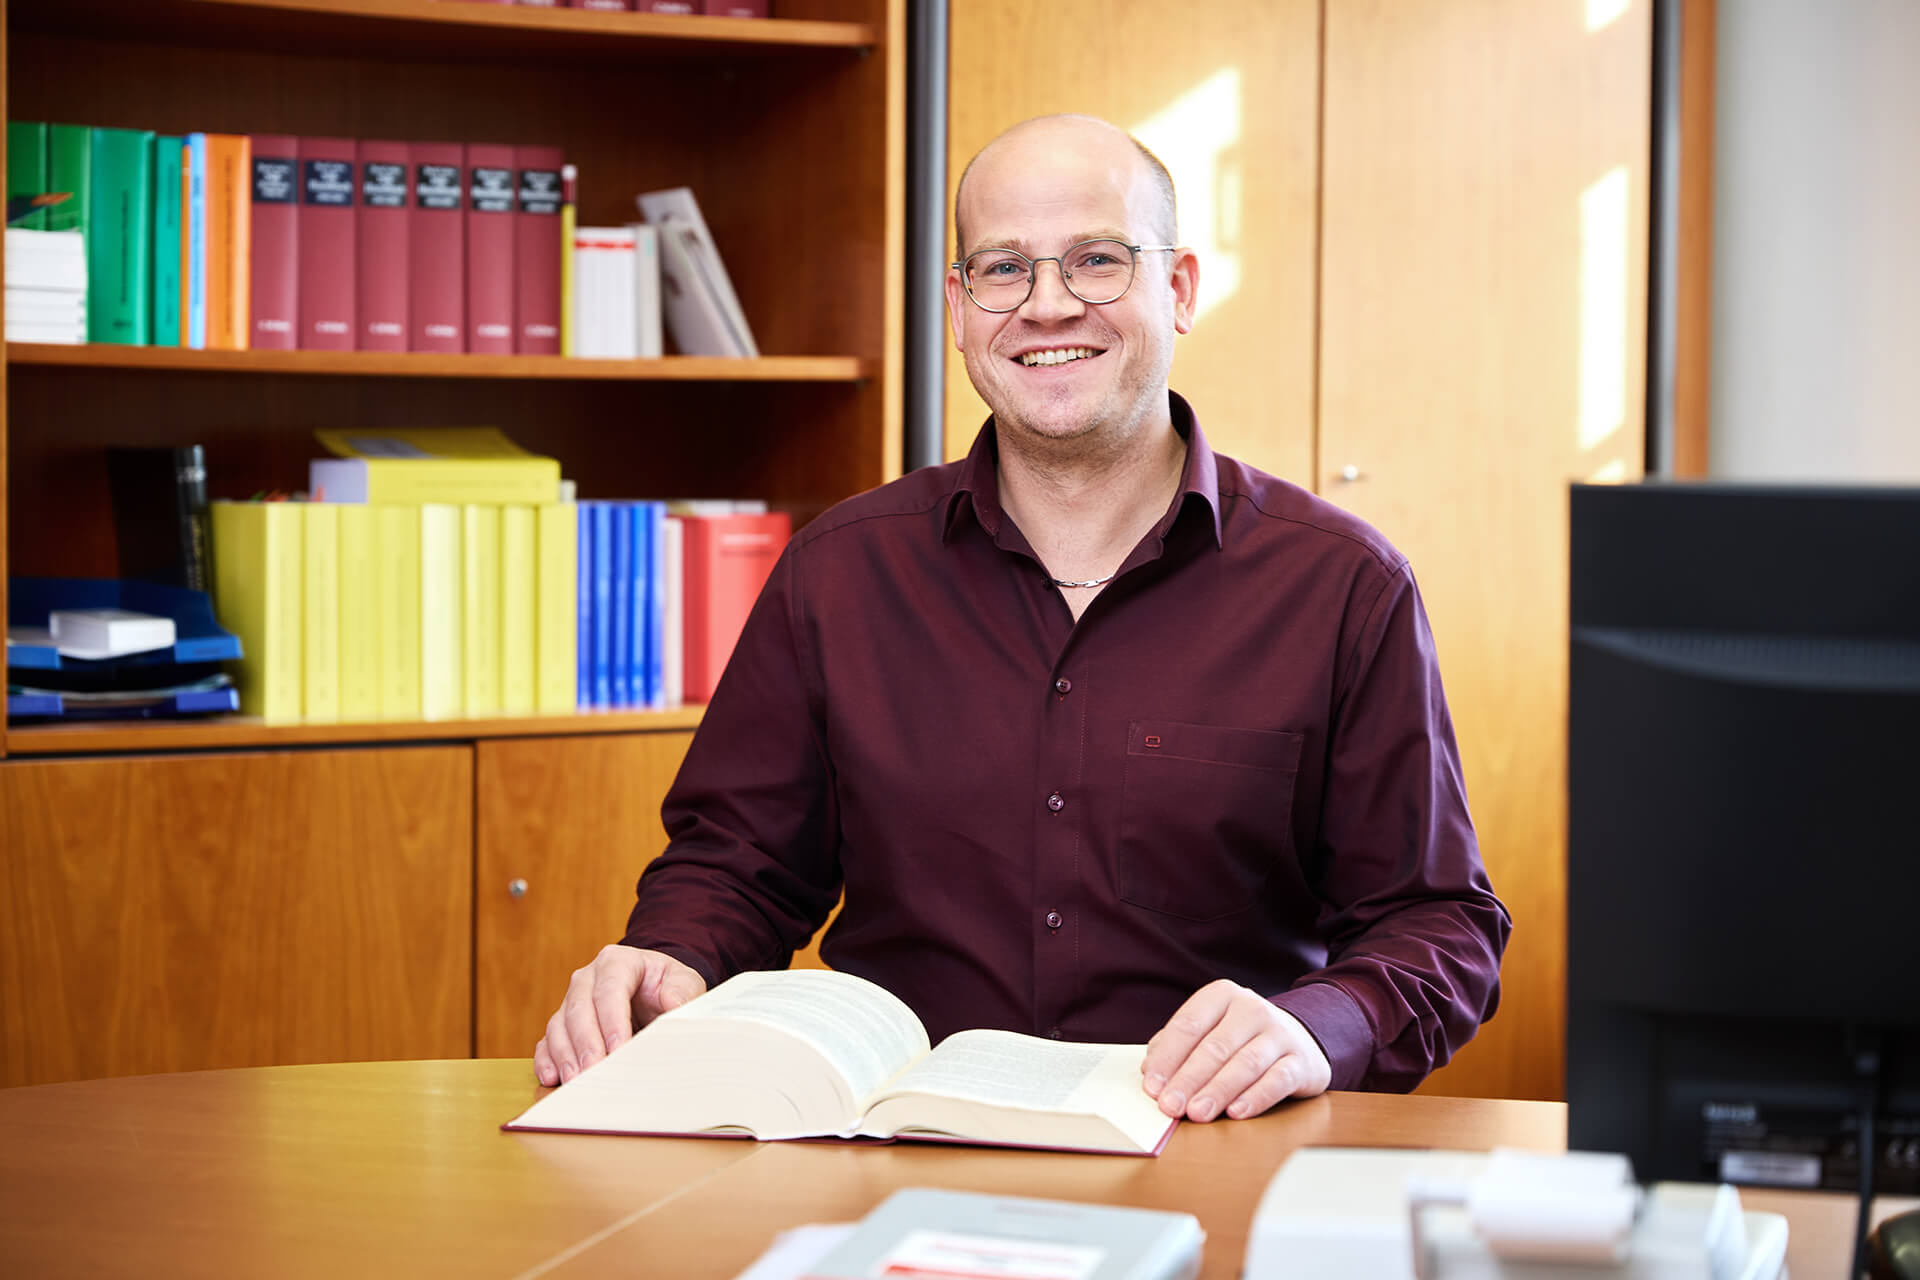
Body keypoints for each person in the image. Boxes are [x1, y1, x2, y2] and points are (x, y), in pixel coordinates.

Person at [535, 114, 1510, 1124]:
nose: (1048, 306)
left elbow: (1437, 921)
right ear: (959, 308)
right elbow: (738, 865)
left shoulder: (1343, 586)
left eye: (1096, 260)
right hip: (891, 1150)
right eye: (1004, 269)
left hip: (1212, 1146)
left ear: (1176, 289)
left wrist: (1317, 1025)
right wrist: (666, 960)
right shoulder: (839, 572)